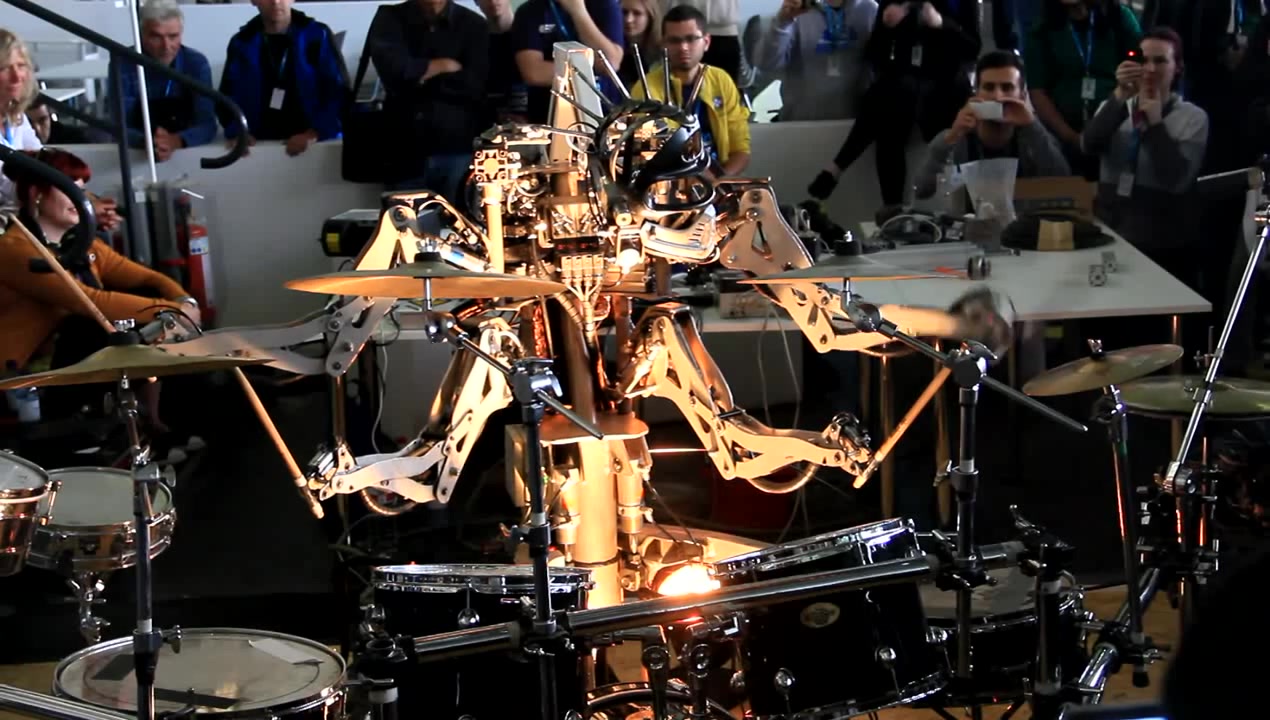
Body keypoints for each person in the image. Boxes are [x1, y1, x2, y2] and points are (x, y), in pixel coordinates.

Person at [0, 148, 199, 440]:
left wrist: (184, 302)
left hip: (68, 360)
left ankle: (155, 417)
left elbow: (148, 277)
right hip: (24, 378)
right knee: (95, 324)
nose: (80, 200)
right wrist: (172, 313)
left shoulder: (82, 244)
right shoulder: (13, 249)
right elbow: (91, 302)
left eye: (81, 191)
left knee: (143, 299)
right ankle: (146, 420)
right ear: (36, 194)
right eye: (69, 190)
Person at [807, 0, 981, 207]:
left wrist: (942, 24)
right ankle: (891, 209)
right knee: (890, 106)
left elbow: (972, 49)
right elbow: (875, 54)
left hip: (945, 88)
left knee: (890, 101)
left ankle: (838, 168)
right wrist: (888, 28)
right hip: (899, 91)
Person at [1081, 26, 1207, 282]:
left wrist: (1155, 125)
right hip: (1110, 232)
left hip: (1163, 242)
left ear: (1177, 68)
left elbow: (1176, 180)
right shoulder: (1114, 106)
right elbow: (1088, 146)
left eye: (1160, 61)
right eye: (1144, 60)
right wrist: (1119, 96)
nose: (1150, 69)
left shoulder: (1192, 117)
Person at [367, 0, 490, 203]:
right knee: (403, 220)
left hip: (458, 148)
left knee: (459, 220)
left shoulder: (473, 24)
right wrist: (445, 66)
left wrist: (419, 77)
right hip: (404, 149)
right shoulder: (389, 18)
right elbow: (394, 71)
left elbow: (475, 84)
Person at [914, 50, 1070, 201]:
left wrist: (1032, 126)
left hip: (1023, 218)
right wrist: (951, 138)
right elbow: (921, 190)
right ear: (976, 94)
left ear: (1022, 97)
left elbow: (1064, 185)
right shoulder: (955, 138)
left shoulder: (1034, 137)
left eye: (1007, 88)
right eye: (989, 87)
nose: (997, 96)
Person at [1024, 0, 1142, 179]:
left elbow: (1141, 72)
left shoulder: (1120, 18)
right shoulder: (1042, 27)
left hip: (1116, 128)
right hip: (1062, 134)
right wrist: (1072, 138)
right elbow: (1037, 92)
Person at [632, 4, 751, 178]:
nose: (683, 47)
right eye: (675, 40)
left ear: (706, 42)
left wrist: (719, 181)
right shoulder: (645, 88)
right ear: (663, 44)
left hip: (720, 181)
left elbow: (740, 148)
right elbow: (648, 153)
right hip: (669, 184)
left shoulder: (721, 80)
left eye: (691, 39)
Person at [218, 0, 350, 155]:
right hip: (258, 145)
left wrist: (315, 133)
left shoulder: (317, 35)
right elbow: (226, 98)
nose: (275, 2)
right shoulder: (242, 41)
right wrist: (237, 132)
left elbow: (339, 93)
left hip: (310, 142)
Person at [117, 0, 219, 161]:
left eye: (173, 36)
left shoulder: (196, 63)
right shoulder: (123, 63)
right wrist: (146, 141)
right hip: (138, 153)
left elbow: (207, 124)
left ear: (181, 33)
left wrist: (175, 141)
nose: (166, 46)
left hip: (187, 156)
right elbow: (119, 124)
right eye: (156, 37)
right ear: (141, 35)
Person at [752, 0, 876, 121]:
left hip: (855, 124)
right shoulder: (796, 10)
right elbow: (765, 64)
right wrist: (783, 22)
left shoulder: (869, 10)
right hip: (801, 123)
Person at [511, 0, 624, 123]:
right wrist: (588, 69)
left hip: (607, 113)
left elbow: (611, 64)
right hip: (549, 117)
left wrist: (578, 12)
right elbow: (534, 73)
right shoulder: (529, 12)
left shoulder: (606, 5)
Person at [0, 28, 41, 208]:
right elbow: (6, 187)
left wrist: (87, 198)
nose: (17, 77)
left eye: (21, 65)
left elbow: (41, 160)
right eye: (4, 68)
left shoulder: (15, 114)